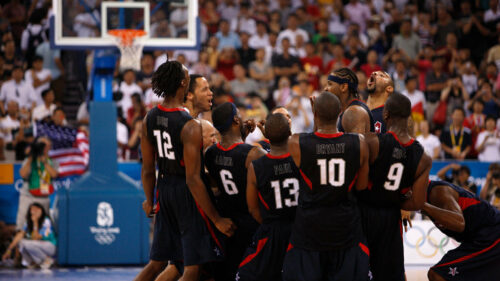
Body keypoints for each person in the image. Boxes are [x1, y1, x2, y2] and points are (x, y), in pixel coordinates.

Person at [135, 61, 235, 281]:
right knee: (193, 268)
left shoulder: (149, 118)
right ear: (183, 83)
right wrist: (217, 219)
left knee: (157, 263)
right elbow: (193, 179)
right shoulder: (189, 126)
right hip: (184, 193)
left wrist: (149, 199)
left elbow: (148, 168)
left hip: (163, 189)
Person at [282, 91, 370, 281]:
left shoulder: (296, 142)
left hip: (309, 229)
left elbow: (314, 142)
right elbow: (362, 186)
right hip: (346, 228)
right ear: (341, 112)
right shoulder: (359, 143)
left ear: (315, 113)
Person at [359, 93, 432, 281]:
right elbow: (417, 202)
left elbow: (358, 185)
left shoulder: (372, 142)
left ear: (385, 114)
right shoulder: (423, 158)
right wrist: (394, 199)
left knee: (359, 271)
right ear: (409, 116)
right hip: (391, 219)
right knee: (391, 274)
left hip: (363, 215)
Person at [204, 102, 266, 281]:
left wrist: (242, 135)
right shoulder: (255, 153)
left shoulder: (210, 153)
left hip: (226, 220)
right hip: (251, 221)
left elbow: (231, 156)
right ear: (236, 120)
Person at [236, 113, 299, 281]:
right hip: (300, 228)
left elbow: (252, 208)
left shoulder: (257, 167)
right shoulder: (300, 159)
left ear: (267, 135)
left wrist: (269, 224)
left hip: (272, 229)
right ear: (289, 133)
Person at [424, 180, 500, 281]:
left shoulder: (438, 191)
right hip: (479, 237)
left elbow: (459, 224)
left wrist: (422, 205)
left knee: (438, 274)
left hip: (492, 233)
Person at [16, 137, 58, 231]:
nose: (44, 148)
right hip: (28, 196)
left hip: (43, 197)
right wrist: (31, 158)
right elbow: (23, 174)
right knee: (22, 222)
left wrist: (45, 163)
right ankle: (19, 241)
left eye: (46, 146)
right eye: (41, 145)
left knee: (45, 223)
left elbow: (54, 175)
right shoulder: (29, 159)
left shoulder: (52, 161)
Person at [2, 203, 56, 269]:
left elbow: (36, 238)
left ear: (42, 211)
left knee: (25, 243)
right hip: (37, 247)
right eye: (33, 209)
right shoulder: (28, 222)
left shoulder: (46, 221)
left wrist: (35, 222)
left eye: (37, 209)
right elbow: (19, 235)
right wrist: (9, 250)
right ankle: (34, 263)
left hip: (50, 247)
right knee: (20, 243)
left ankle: (47, 260)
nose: (35, 211)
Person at [324, 68, 375, 133]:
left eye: (330, 84)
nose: (325, 88)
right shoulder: (346, 109)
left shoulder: (355, 112)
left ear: (343, 87)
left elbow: (358, 143)